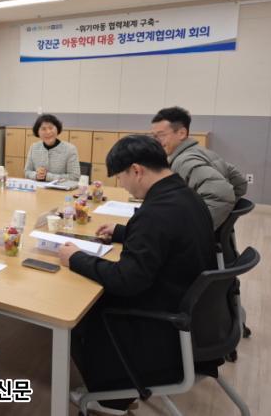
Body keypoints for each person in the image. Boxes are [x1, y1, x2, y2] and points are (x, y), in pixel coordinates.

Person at [58, 135, 217, 415]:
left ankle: (110, 398)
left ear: (136, 170)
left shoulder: (155, 212)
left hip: (161, 323)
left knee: (80, 310)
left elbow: (126, 280)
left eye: (120, 177)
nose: (121, 184)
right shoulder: (185, 195)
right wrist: (123, 232)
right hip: (192, 311)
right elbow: (167, 237)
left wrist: (76, 258)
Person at [151, 106, 247, 230]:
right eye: (154, 136)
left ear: (181, 133)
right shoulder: (204, 152)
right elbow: (240, 183)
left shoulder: (185, 162)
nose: (156, 141)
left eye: (161, 135)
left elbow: (223, 195)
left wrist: (193, 229)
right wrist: (225, 217)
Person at [24, 113, 80, 182]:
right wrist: (36, 175)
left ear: (57, 129)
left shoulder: (70, 149)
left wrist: (48, 176)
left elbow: (75, 177)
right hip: (38, 187)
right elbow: (27, 172)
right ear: (38, 132)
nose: (48, 132)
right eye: (43, 129)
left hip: (60, 188)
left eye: (51, 128)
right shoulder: (34, 147)